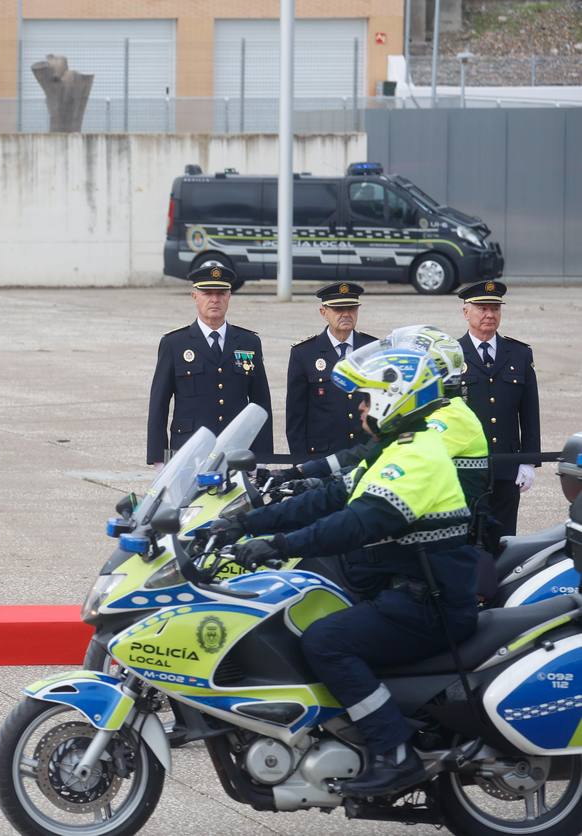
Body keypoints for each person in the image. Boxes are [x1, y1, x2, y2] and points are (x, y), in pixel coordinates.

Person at [229, 345, 478, 797]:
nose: (360, 407)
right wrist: (242, 523)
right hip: (404, 593)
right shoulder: (392, 449)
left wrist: (277, 546)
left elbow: (355, 523)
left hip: (427, 603)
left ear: (392, 400)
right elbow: (325, 498)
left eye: (366, 398)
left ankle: (395, 751)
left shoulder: (417, 457)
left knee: (326, 642)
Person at [146, 261, 272, 466]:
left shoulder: (249, 342)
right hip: (188, 449)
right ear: (194, 296)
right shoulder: (174, 344)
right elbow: (159, 404)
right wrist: (159, 459)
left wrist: (263, 457)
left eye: (221, 293)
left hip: (236, 449)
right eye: (207, 293)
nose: (215, 299)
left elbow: (261, 403)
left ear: (230, 296)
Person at [457, 280, 540, 543]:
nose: (489, 315)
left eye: (495, 308)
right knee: (467, 540)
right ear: (466, 312)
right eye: (482, 308)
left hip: (506, 467)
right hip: (465, 467)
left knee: (504, 540)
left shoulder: (518, 354)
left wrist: (528, 460)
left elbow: (529, 412)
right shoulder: (450, 354)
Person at [284, 282, 375, 460]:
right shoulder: (304, 353)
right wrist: (301, 462)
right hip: (323, 456)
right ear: (323, 312)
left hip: (364, 453)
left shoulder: (372, 349)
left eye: (352, 308)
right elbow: (296, 416)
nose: (346, 314)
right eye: (339, 309)